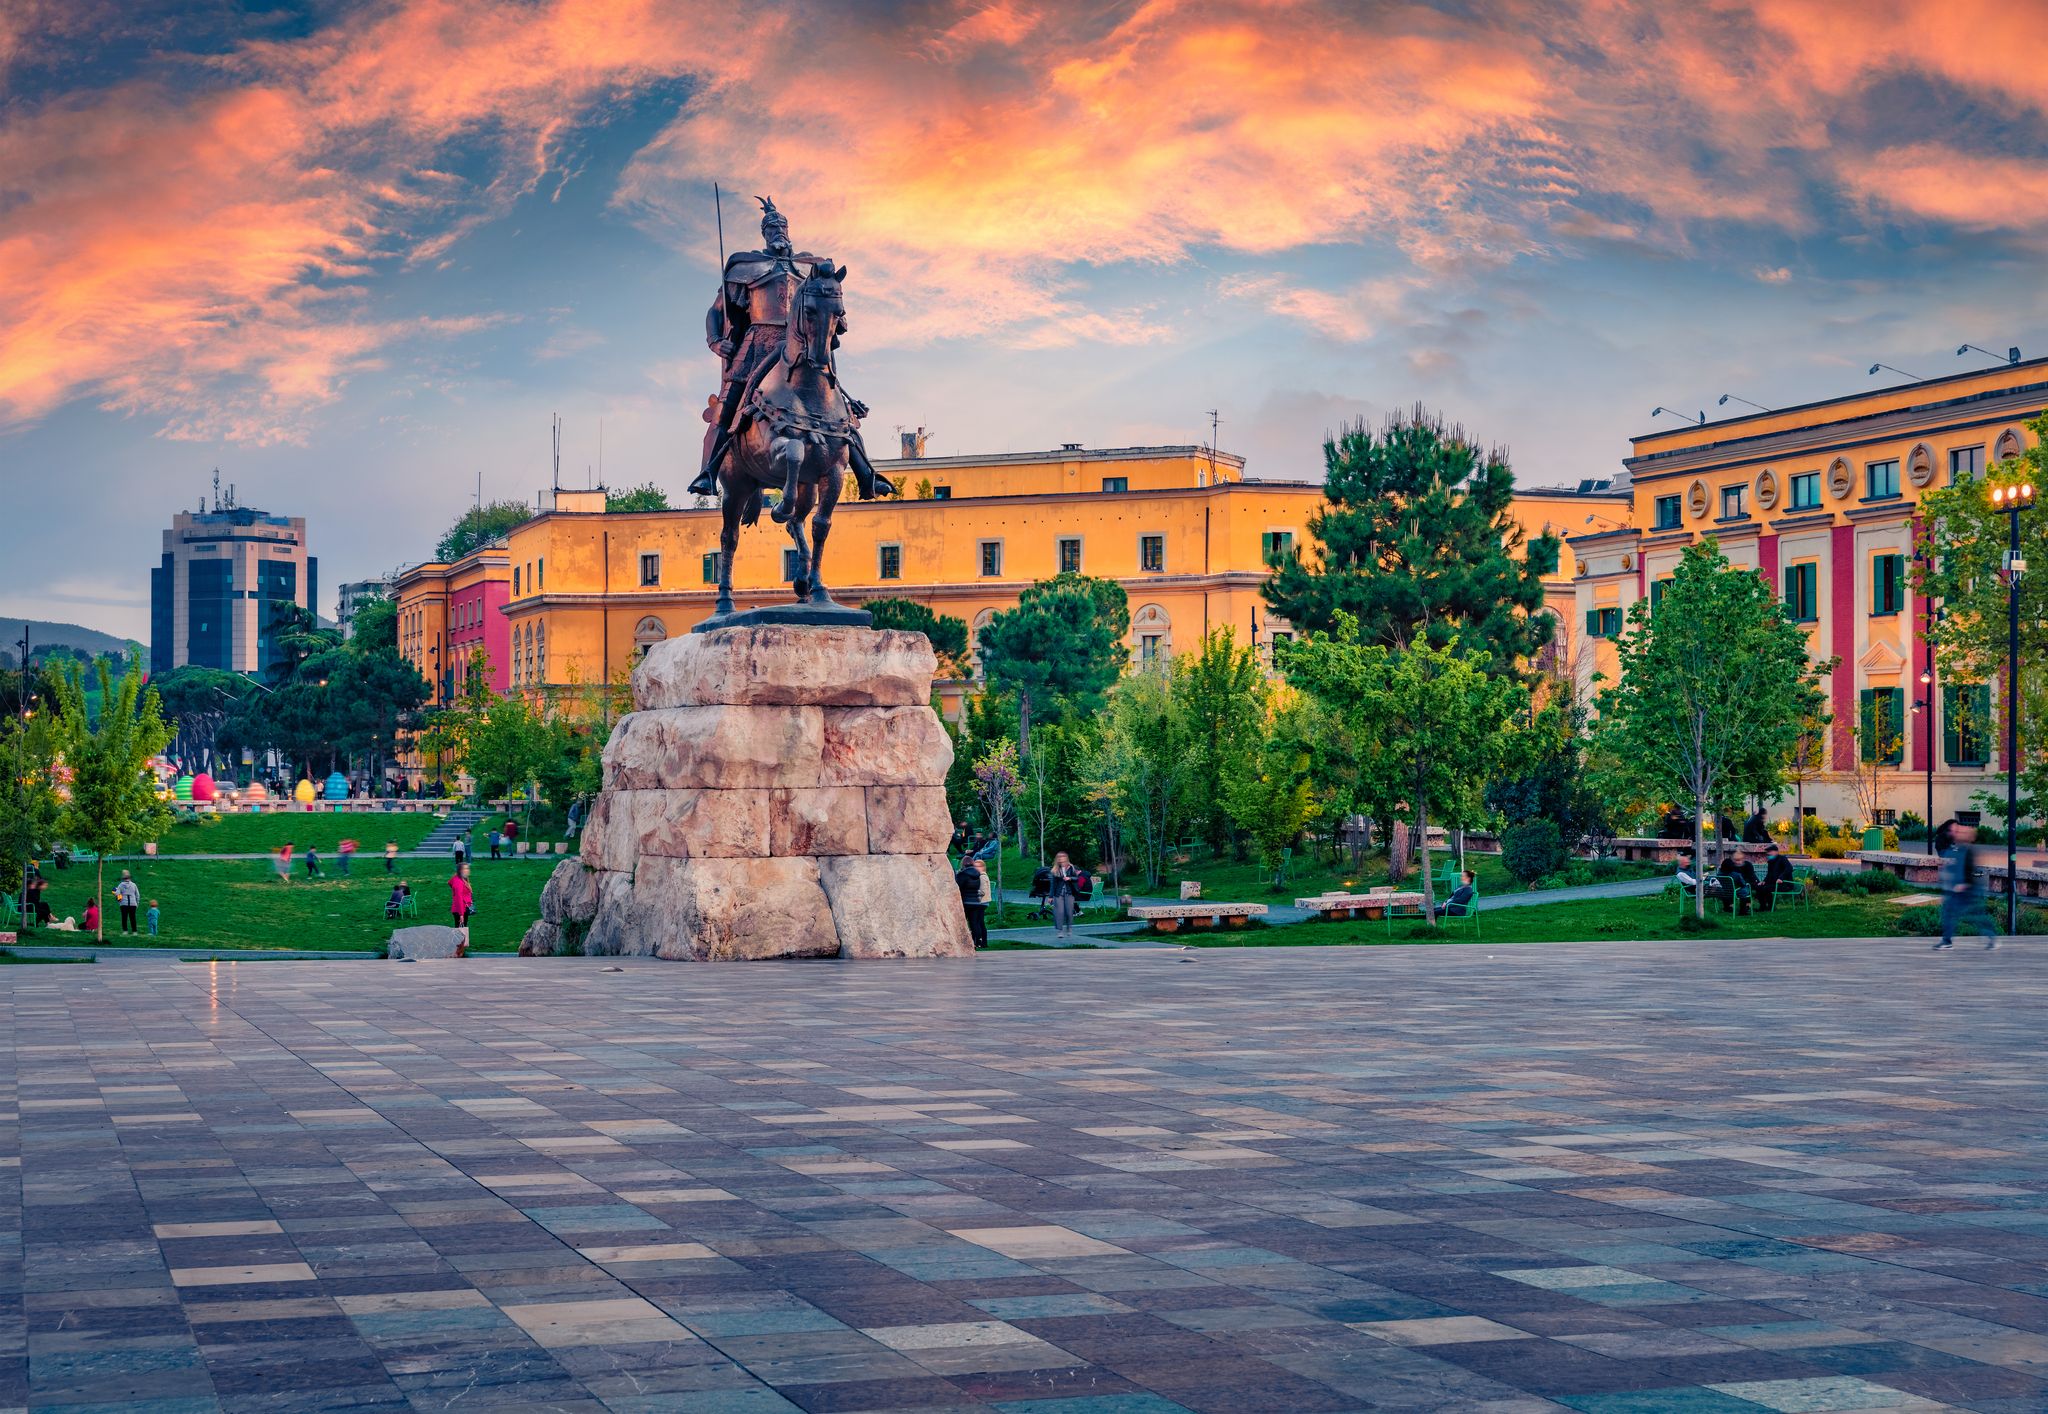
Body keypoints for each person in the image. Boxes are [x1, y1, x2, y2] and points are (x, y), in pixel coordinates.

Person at [1934, 822, 1996, 950]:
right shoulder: (1956, 848)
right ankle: (1947, 941)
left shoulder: (1968, 850)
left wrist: (1965, 884)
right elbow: (1952, 865)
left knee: (1977, 916)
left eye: (1959, 832)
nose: (1955, 833)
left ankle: (1991, 937)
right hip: (1956, 890)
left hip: (1967, 890)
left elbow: (1970, 869)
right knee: (1950, 912)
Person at [955, 855, 990, 950]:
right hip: (976, 901)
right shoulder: (978, 874)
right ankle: (977, 942)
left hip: (966, 902)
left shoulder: (962, 875)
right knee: (975, 923)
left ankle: (963, 942)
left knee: (962, 922)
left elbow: (957, 887)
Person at [1048, 851, 1080, 939]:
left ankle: (1069, 928)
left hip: (1069, 893)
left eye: (1062, 857)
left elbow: (1077, 878)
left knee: (1069, 912)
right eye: (1059, 857)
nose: (1061, 859)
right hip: (1058, 894)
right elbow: (1053, 884)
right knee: (1059, 912)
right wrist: (1050, 896)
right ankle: (1060, 931)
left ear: (1066, 858)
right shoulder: (1055, 869)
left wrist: (1070, 878)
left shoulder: (1072, 868)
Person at [1758, 843, 1795, 912]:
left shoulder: (1782, 858)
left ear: (1776, 852)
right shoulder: (1771, 862)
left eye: (1770, 853)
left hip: (1785, 884)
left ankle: (1771, 907)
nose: (1769, 855)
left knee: (1766, 888)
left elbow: (1789, 868)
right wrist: (1764, 881)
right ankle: (1762, 907)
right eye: (1768, 854)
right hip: (1775, 884)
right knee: (1760, 887)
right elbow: (1769, 874)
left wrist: (1781, 878)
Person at [114, 870, 141, 934]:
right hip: (133, 904)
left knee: (124, 918)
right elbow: (138, 895)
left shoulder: (120, 885)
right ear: (130, 878)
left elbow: (117, 894)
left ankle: (125, 931)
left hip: (124, 904)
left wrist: (119, 901)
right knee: (133, 918)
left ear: (123, 878)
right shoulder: (134, 885)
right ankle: (134, 931)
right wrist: (137, 903)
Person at [449, 864, 474, 934]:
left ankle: (460, 944)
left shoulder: (460, 878)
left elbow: (450, 882)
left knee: (461, 930)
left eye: (467, 868)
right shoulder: (458, 882)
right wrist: (461, 915)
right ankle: (459, 944)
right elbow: (458, 899)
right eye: (465, 869)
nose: (467, 870)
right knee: (460, 932)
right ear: (460, 871)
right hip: (460, 910)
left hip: (463, 908)